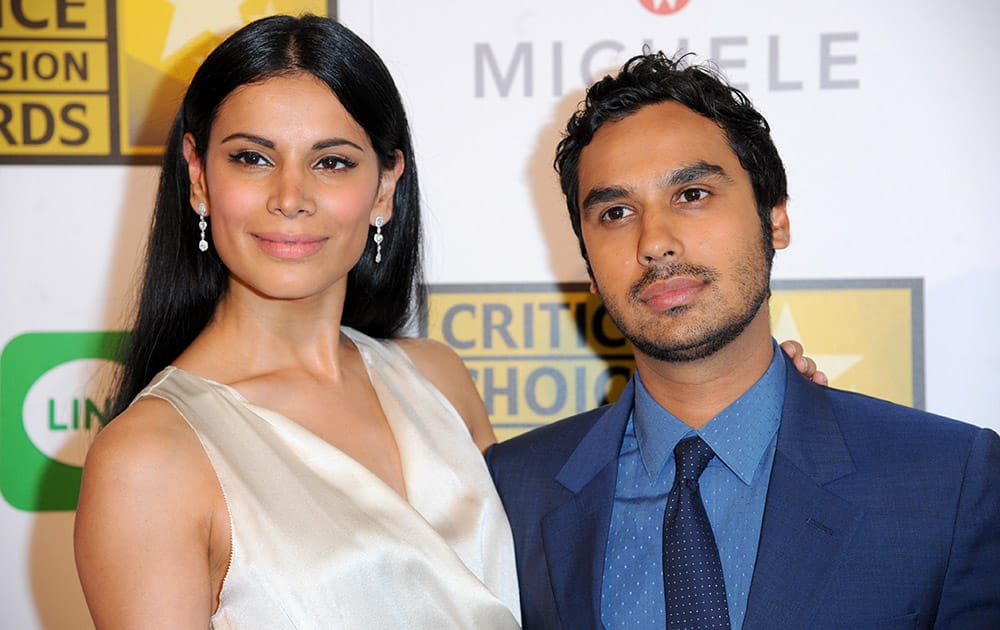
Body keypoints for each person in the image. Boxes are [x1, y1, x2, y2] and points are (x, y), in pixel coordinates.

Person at [486, 51, 1000, 629]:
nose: (655, 241)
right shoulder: (513, 492)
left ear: (774, 218)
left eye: (692, 195)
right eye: (617, 212)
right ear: (586, 260)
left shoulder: (946, 482)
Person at [73, 15, 522, 628]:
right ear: (199, 177)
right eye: (253, 158)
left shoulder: (438, 380)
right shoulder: (149, 457)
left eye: (332, 162)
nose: (290, 196)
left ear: (386, 186)